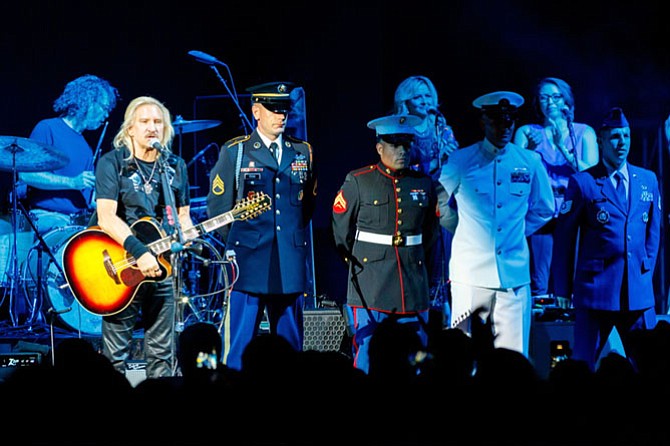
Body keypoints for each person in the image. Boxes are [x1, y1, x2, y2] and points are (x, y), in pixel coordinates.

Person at [206, 81, 317, 371]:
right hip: (248, 262)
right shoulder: (237, 152)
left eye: (285, 111)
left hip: (289, 263)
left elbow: (306, 207)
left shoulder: (302, 152)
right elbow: (219, 210)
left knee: (290, 349)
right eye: (273, 110)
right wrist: (244, 241)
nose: (281, 116)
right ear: (256, 111)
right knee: (239, 349)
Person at [438, 91, 555, 357]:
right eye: (497, 122)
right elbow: (439, 203)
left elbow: (545, 208)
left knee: (514, 358)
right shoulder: (461, 160)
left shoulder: (529, 161)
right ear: (484, 122)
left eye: (509, 123)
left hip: (513, 275)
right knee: (462, 356)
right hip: (470, 274)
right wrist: (464, 231)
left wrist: (518, 232)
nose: (504, 128)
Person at [552, 107, 661, 371]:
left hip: (636, 294)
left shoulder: (647, 180)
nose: (621, 143)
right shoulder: (584, 182)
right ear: (601, 141)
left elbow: (654, 234)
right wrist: (563, 289)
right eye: (614, 137)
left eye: (625, 136)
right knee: (581, 367)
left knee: (651, 366)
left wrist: (644, 272)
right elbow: (565, 239)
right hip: (596, 291)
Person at [94, 95, 195, 378]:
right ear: (130, 129)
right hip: (121, 264)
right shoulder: (113, 163)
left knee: (162, 354)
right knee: (115, 355)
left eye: (158, 122)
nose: (152, 127)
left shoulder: (175, 166)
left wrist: (189, 235)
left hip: (162, 266)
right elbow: (106, 217)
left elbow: (183, 216)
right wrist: (139, 251)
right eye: (145, 122)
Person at [332, 114, 439, 373]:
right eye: (394, 145)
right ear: (380, 148)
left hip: (412, 285)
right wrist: (361, 266)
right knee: (368, 357)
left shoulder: (423, 184)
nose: (402, 151)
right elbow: (341, 235)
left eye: (406, 145)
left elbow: (430, 235)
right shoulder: (359, 181)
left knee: (415, 358)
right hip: (371, 285)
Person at [513, 77, 599, 300]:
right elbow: (515, 174)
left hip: (574, 212)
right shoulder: (527, 132)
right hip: (541, 212)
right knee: (539, 279)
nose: (550, 101)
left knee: (573, 275)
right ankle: (538, 331)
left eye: (555, 96)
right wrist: (529, 153)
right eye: (544, 97)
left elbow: (591, 174)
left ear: (566, 101)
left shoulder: (584, 132)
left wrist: (562, 147)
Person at [393, 75, 459, 326]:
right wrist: (434, 161)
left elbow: (454, 163)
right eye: (418, 97)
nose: (424, 101)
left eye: (427, 96)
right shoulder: (402, 128)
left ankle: (444, 313)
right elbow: (403, 167)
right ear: (406, 101)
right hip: (413, 202)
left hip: (441, 201)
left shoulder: (442, 127)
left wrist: (452, 158)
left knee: (443, 258)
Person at [19, 74, 119, 234]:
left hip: (77, 222)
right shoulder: (48, 128)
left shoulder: (87, 149)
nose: (106, 115)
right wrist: (72, 182)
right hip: (47, 218)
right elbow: (27, 176)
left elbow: (89, 199)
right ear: (87, 101)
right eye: (104, 107)